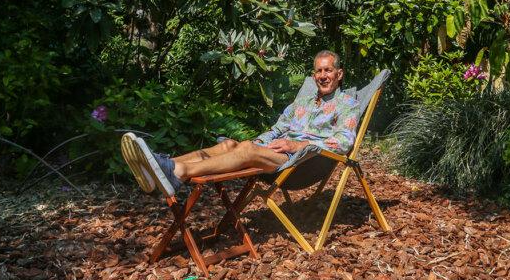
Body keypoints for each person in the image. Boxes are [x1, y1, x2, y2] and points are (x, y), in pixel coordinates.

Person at [124, 50, 360, 197]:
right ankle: (161, 165)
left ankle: (179, 173)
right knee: (232, 146)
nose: (323, 75)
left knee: (246, 149)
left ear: (339, 74)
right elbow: (277, 129)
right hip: (277, 153)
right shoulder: (303, 103)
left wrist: (297, 145)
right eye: (318, 71)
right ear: (313, 75)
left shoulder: (347, 104)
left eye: (328, 70)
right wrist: (255, 143)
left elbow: (344, 142)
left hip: (303, 163)